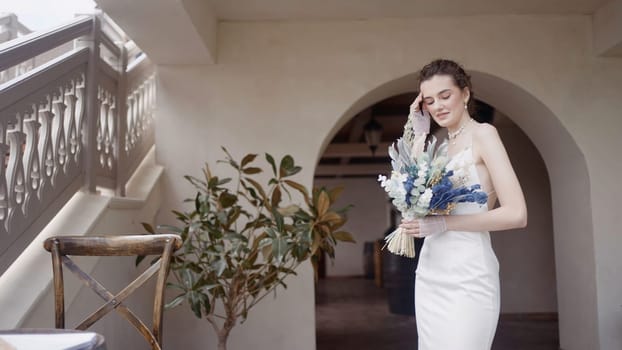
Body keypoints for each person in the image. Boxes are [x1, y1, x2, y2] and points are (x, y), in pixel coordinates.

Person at [399, 59, 528, 349]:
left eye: (445, 96)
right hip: (431, 271)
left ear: (465, 94)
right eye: (429, 101)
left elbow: (517, 214)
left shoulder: (484, 134)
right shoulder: (438, 145)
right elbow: (414, 204)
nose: (438, 106)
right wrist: (419, 135)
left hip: (468, 273)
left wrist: (443, 223)